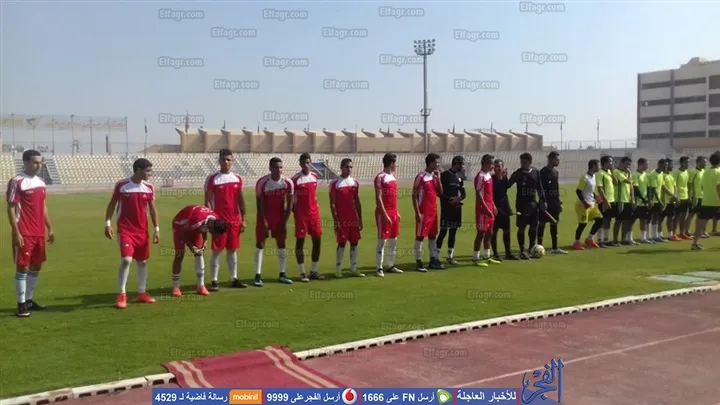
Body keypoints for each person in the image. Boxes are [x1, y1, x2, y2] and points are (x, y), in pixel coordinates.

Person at [104, 158, 159, 309]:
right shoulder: (122, 185)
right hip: (125, 229)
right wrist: (107, 224)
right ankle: (121, 293)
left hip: (142, 231)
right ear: (138, 170)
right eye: (148, 171)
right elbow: (112, 205)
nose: (150, 174)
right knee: (126, 260)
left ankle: (142, 292)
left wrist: (157, 229)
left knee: (142, 262)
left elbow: (153, 209)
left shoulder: (149, 187)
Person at [7, 149, 55, 317]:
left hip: (39, 232)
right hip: (24, 231)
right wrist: (16, 232)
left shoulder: (41, 183)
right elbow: (11, 208)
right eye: (35, 162)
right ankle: (21, 304)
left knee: (36, 266)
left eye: (40, 162)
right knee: (23, 267)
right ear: (26, 162)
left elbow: (43, 206)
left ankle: (28, 300)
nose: (39, 165)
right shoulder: (17, 182)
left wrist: (50, 228)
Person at [204, 149, 247, 291]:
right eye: (223, 159)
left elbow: (240, 200)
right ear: (219, 161)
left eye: (228, 159)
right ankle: (214, 280)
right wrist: (211, 219)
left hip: (234, 220)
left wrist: (243, 219)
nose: (226, 162)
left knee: (232, 250)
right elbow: (207, 201)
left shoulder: (238, 178)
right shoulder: (212, 179)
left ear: (232, 161)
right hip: (219, 221)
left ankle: (234, 278)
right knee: (217, 250)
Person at [170, 205, 227, 296]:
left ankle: (201, 286)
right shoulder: (197, 221)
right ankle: (176, 287)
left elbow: (205, 227)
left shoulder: (214, 219)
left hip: (193, 225)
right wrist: (191, 246)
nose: (214, 236)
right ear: (212, 227)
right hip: (180, 226)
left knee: (199, 253)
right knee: (179, 255)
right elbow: (183, 232)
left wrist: (205, 240)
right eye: (214, 233)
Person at [255, 157, 295, 286]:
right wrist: (264, 221)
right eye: (276, 167)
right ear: (270, 168)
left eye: (280, 167)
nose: (279, 170)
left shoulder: (288, 182)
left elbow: (290, 204)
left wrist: (284, 222)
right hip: (264, 217)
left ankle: (282, 274)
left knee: (281, 244)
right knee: (260, 244)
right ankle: (257, 275)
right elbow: (259, 204)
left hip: (279, 218)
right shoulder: (262, 182)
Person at [291, 153, 324, 282]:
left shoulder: (314, 176)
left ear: (310, 163)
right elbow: (290, 198)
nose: (306, 165)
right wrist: (294, 210)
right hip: (301, 215)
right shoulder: (295, 180)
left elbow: (313, 194)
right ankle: (302, 273)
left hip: (314, 214)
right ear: (300, 164)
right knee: (300, 242)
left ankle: (314, 271)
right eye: (303, 163)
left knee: (317, 241)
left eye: (308, 162)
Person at [329, 158, 364, 277]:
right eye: (347, 167)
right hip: (341, 218)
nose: (349, 169)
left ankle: (353, 268)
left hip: (353, 218)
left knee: (354, 242)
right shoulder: (335, 183)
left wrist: (360, 219)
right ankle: (338, 269)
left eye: (350, 167)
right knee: (342, 243)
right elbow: (332, 203)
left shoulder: (355, 183)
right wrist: (336, 220)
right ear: (341, 167)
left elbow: (357, 201)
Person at [508, 153, 546, 260]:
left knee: (534, 227)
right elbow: (508, 185)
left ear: (530, 162)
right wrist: (504, 176)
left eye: (524, 162)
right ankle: (522, 250)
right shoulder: (517, 174)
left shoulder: (536, 172)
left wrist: (543, 200)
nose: (522, 164)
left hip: (533, 205)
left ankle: (531, 248)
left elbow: (540, 188)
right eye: (521, 162)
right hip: (521, 205)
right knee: (521, 228)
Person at [412, 153, 444, 271]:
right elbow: (414, 195)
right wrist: (417, 212)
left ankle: (433, 259)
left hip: (433, 212)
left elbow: (440, 193)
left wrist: (438, 179)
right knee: (420, 236)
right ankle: (418, 261)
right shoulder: (421, 176)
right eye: (436, 162)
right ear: (430, 163)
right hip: (423, 212)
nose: (438, 164)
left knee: (433, 236)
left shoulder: (434, 176)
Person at [374, 153, 403, 277]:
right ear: (391, 163)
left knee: (393, 240)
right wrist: (385, 215)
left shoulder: (393, 178)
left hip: (393, 213)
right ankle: (379, 268)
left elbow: (393, 198)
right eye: (395, 163)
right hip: (383, 213)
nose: (396, 165)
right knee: (382, 240)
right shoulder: (380, 177)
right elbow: (378, 198)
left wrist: (397, 212)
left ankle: (390, 265)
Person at [472, 154, 501, 266]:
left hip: (489, 207)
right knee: (481, 233)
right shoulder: (480, 176)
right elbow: (479, 194)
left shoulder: (488, 175)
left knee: (490, 232)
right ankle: (475, 258)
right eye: (492, 164)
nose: (493, 166)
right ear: (486, 163)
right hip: (482, 210)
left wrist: (493, 206)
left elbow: (489, 194)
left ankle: (487, 256)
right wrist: (486, 209)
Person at [436, 156, 466, 265]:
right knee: (443, 231)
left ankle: (450, 256)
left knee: (453, 232)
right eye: (461, 164)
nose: (463, 166)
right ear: (456, 164)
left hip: (456, 209)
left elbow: (463, 194)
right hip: (446, 208)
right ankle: (435, 256)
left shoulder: (460, 176)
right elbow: (439, 193)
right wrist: (450, 200)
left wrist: (459, 198)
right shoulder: (444, 176)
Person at [572, 159, 604, 250]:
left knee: (600, 220)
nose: (600, 167)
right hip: (583, 205)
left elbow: (590, 190)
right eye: (598, 165)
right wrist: (584, 202)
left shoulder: (593, 176)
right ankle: (576, 242)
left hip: (592, 204)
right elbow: (578, 191)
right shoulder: (584, 177)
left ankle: (589, 239)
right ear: (593, 166)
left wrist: (596, 196)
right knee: (583, 224)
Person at [538, 151, 567, 254]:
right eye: (557, 159)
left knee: (554, 223)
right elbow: (540, 188)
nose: (558, 161)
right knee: (542, 224)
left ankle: (555, 248)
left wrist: (559, 202)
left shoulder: (556, 172)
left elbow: (556, 188)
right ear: (551, 159)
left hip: (554, 203)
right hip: (545, 203)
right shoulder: (542, 172)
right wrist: (542, 201)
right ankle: (539, 246)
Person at [692, 151, 720, 250]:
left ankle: (695, 244)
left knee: (700, 223)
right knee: (701, 223)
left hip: (706, 201)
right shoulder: (718, 172)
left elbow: (703, 186)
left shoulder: (706, 172)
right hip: (716, 202)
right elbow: (718, 188)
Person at [490, 159, 518, 260]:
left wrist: (509, 208)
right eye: (496, 166)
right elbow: (490, 195)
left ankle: (508, 253)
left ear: (502, 167)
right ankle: (495, 254)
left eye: (499, 166)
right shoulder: (491, 179)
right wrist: (493, 207)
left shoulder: (504, 178)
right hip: (495, 208)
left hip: (505, 208)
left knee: (507, 231)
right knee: (494, 232)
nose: (497, 168)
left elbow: (506, 189)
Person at [612, 157, 635, 245]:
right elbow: (627, 181)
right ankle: (615, 240)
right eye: (627, 164)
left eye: (629, 164)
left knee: (626, 220)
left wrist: (632, 198)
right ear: (621, 163)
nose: (628, 166)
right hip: (620, 200)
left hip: (627, 199)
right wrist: (629, 173)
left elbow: (631, 186)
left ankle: (623, 239)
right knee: (619, 220)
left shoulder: (626, 173)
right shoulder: (616, 172)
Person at [595, 156, 617, 247]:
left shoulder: (609, 172)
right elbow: (600, 188)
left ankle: (606, 240)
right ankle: (600, 241)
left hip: (611, 199)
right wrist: (605, 201)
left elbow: (616, 182)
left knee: (608, 220)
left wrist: (612, 171)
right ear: (605, 163)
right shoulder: (600, 173)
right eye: (610, 161)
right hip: (604, 200)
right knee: (602, 220)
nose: (612, 163)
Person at [631, 158, 653, 243]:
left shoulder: (646, 175)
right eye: (645, 164)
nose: (647, 166)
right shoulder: (635, 175)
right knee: (632, 220)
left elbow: (648, 188)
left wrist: (648, 199)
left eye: (647, 164)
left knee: (643, 220)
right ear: (640, 164)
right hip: (637, 202)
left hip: (644, 202)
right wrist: (643, 199)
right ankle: (628, 238)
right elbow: (635, 188)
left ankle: (643, 238)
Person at [671, 156, 691, 240]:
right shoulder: (676, 173)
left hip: (685, 197)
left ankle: (682, 233)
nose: (688, 164)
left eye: (688, 162)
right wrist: (676, 197)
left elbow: (687, 185)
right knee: (676, 217)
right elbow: (674, 186)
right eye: (686, 162)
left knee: (683, 216)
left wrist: (689, 196)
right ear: (681, 163)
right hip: (679, 198)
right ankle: (673, 234)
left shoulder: (686, 172)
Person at [686, 156, 707, 238]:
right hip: (695, 197)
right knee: (691, 215)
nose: (705, 164)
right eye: (703, 162)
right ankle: (686, 231)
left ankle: (698, 232)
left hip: (702, 197)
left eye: (705, 162)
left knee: (701, 216)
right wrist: (689, 196)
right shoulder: (693, 172)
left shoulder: (704, 171)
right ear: (698, 162)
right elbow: (689, 184)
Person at [647, 159, 667, 242]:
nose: (666, 167)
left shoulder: (661, 173)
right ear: (659, 164)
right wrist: (659, 201)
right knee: (650, 218)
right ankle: (648, 236)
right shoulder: (653, 174)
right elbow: (654, 189)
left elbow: (662, 187)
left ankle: (655, 236)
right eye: (664, 165)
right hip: (653, 200)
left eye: (666, 165)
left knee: (656, 218)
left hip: (658, 200)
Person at [662, 159, 680, 241]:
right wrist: (673, 196)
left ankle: (671, 235)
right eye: (671, 164)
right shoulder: (662, 175)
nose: (672, 166)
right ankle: (658, 235)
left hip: (672, 200)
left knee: (671, 218)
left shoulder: (671, 175)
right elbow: (664, 188)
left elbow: (675, 187)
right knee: (660, 219)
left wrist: (676, 197)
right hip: (665, 201)